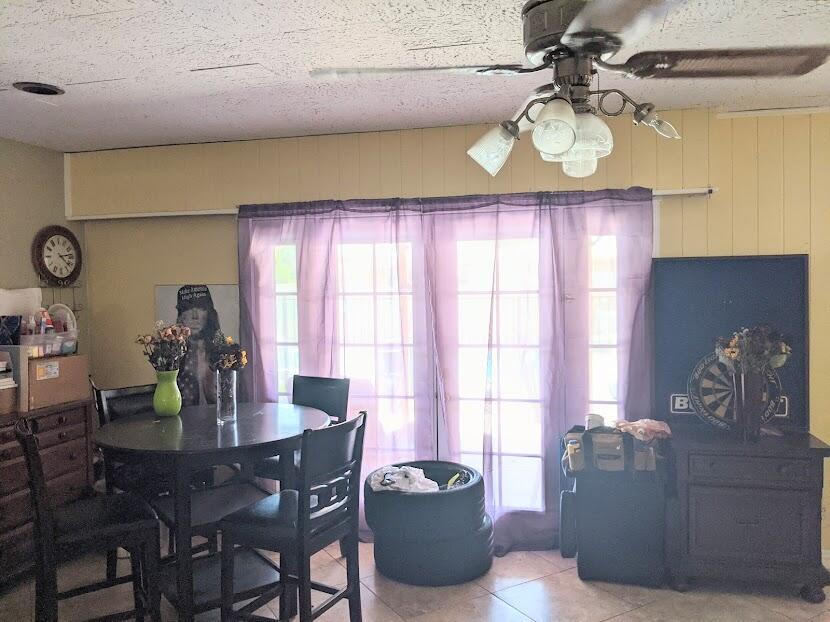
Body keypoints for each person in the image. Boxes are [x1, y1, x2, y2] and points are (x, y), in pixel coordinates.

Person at [175, 285, 221, 406]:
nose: (195, 316)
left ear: (209, 313)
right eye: (188, 309)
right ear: (181, 317)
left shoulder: (222, 351)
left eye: (201, 308)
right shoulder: (174, 354)